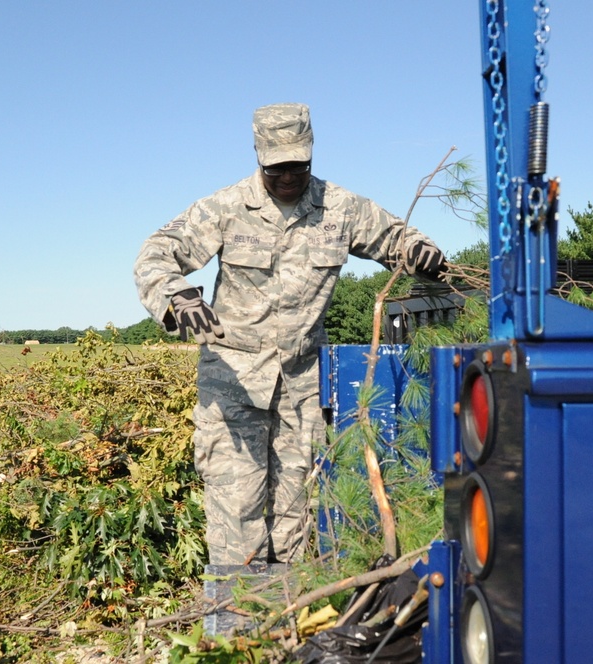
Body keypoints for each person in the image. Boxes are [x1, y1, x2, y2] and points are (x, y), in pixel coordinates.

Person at [133, 103, 446, 565]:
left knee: (297, 511)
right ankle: (237, 618)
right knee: (237, 512)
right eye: (275, 167)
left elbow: (398, 239)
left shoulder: (339, 208)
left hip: (301, 386)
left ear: (311, 155)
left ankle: (290, 618)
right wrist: (177, 296)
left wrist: (421, 253)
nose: (286, 177)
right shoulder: (224, 207)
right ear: (259, 156)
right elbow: (156, 254)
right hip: (233, 384)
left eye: (297, 166)